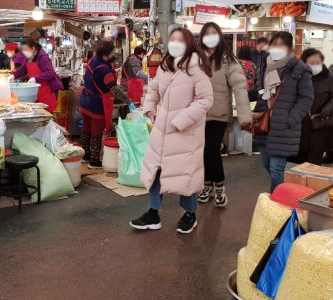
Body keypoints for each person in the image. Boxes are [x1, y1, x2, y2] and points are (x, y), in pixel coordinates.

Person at [130, 28, 213, 234]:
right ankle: (152, 213)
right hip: (161, 129)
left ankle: (190, 214)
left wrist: (180, 120)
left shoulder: (196, 68)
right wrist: (149, 110)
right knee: (155, 170)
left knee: (185, 172)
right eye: (172, 40)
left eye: (179, 40)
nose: (174, 43)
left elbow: (205, 100)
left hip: (186, 131)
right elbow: (154, 90)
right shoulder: (165, 66)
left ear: (188, 44)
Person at [197, 22, 252, 207]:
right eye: (207, 33)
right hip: (198, 114)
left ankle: (218, 188)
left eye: (214, 33)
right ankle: (206, 186)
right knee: (202, 152)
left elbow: (240, 86)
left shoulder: (228, 59)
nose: (211, 36)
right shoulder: (196, 58)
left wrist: (244, 117)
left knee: (211, 150)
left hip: (219, 113)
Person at [254, 32, 313, 193]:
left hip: (284, 125)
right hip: (265, 123)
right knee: (266, 163)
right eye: (274, 45)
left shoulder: (300, 69)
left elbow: (306, 98)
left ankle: (277, 203)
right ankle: (287, 190)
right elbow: (260, 91)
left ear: (290, 48)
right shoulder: (265, 66)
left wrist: (290, 119)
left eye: (281, 46)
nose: (276, 49)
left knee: (276, 168)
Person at [79, 41, 133, 168]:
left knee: (86, 130)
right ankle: (94, 161)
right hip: (96, 104)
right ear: (106, 54)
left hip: (85, 100)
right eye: (112, 53)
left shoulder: (93, 60)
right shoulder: (105, 71)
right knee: (96, 132)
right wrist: (128, 101)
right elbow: (114, 89)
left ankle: (85, 156)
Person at [295, 49, 333, 165]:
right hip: (300, 126)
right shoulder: (297, 78)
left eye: (317, 62)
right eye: (311, 62)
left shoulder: (328, 78)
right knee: (300, 160)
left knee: (314, 161)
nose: (315, 65)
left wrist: (327, 109)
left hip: (319, 125)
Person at [9, 39, 63, 110]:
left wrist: (35, 78)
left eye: (26, 49)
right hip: (36, 90)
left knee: (47, 112)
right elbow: (23, 69)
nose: (24, 52)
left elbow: (50, 72)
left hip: (47, 90)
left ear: (33, 48)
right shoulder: (29, 57)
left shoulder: (43, 57)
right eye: (23, 50)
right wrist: (14, 75)